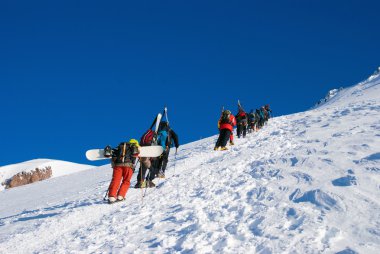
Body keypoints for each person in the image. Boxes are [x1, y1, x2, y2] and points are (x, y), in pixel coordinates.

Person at [107, 139, 140, 204]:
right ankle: (120, 196)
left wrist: (114, 165)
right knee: (126, 181)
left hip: (118, 166)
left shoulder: (119, 147)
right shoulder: (134, 148)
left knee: (116, 180)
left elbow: (112, 157)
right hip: (128, 166)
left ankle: (112, 197)